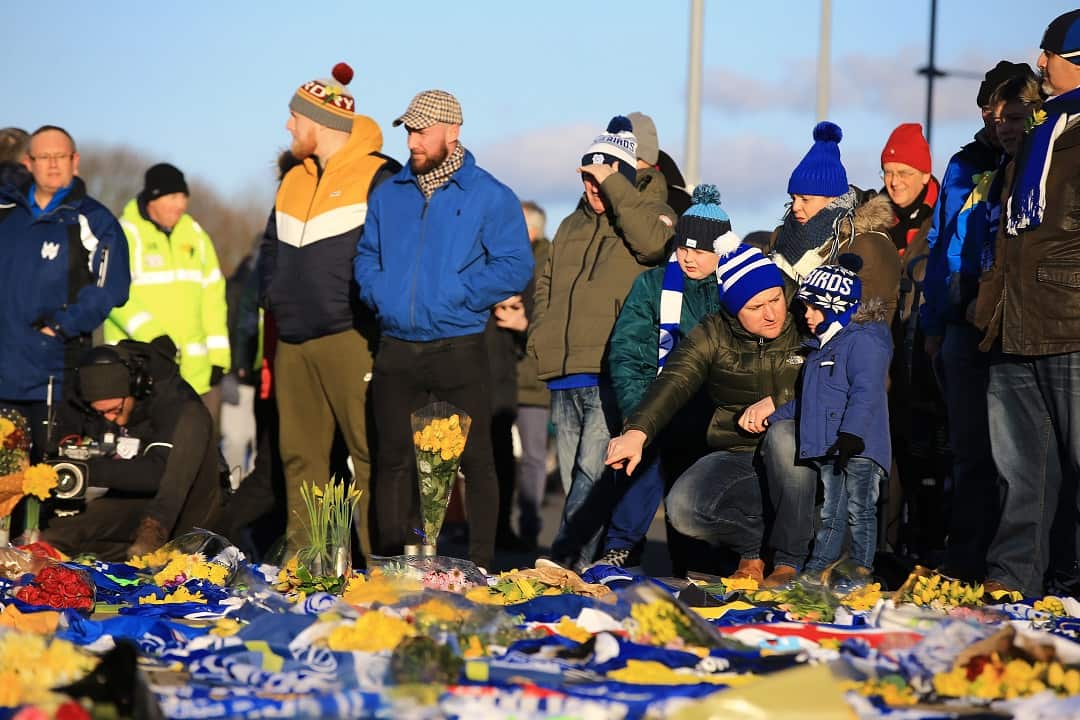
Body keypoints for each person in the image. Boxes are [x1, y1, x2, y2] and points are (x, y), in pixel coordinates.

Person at [355, 89, 533, 570]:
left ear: (452, 131)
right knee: (392, 461)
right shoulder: (388, 193)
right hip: (396, 347)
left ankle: (481, 566)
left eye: (421, 131)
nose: (412, 141)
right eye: (409, 131)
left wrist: (460, 294)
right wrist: (382, 295)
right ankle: (391, 565)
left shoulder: (489, 195)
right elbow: (367, 257)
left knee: (475, 461)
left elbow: (515, 265)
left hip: (458, 345)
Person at [605, 241, 811, 585]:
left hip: (804, 452)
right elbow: (675, 379)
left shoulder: (807, 316)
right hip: (741, 450)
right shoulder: (713, 332)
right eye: (755, 307)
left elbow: (840, 379)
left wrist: (780, 402)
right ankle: (754, 551)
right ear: (733, 309)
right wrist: (636, 432)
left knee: (783, 435)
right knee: (683, 507)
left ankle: (789, 562)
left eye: (775, 300)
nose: (771, 313)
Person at [259, 62, 401, 555]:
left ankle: (381, 565)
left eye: (295, 117)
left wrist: (365, 310)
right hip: (293, 340)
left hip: (351, 335)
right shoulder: (292, 178)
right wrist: (273, 296)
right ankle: (311, 563)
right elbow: (269, 248)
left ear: (319, 122)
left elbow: (393, 255)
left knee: (369, 454)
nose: (288, 126)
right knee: (299, 458)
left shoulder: (380, 175)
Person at [528, 115, 672, 571]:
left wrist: (614, 185)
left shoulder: (647, 212)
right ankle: (588, 568)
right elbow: (546, 285)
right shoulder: (570, 224)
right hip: (563, 372)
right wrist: (540, 334)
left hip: (608, 370)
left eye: (602, 177)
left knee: (590, 475)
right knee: (576, 479)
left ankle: (566, 562)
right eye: (588, 178)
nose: (593, 187)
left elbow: (655, 245)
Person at [975, 9, 1080, 598]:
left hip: (1072, 323)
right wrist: (989, 302)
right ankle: (1013, 580)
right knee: (1020, 470)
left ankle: (1073, 581)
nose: (1040, 62)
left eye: (1051, 53)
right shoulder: (1040, 132)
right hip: (1013, 322)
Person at [597, 184, 727, 570]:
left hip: (713, 408)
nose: (688, 258)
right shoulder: (652, 285)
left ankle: (696, 561)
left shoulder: (734, 288)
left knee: (695, 486)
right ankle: (621, 549)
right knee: (644, 461)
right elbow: (628, 350)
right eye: (683, 248)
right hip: (657, 401)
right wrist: (640, 413)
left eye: (700, 251)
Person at [0, 125, 131, 460]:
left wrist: (58, 328)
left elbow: (111, 289)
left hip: (55, 378)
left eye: (60, 156)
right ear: (28, 163)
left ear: (75, 160)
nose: (53, 164)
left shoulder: (94, 220)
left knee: (50, 477)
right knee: (5, 478)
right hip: (4, 372)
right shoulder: (6, 213)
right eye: (44, 157)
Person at [767, 256, 892, 577]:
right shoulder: (821, 347)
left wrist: (852, 434)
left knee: (859, 510)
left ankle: (859, 572)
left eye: (815, 307)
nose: (806, 315)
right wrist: (774, 417)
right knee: (831, 514)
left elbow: (867, 391)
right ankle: (819, 570)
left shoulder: (865, 341)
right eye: (805, 307)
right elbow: (810, 402)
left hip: (859, 446)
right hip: (831, 446)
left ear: (836, 306)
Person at [43, 341, 225, 560]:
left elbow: (157, 473)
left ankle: (154, 534)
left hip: (183, 503)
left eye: (115, 410)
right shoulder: (87, 399)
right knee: (57, 534)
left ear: (135, 388)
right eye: (101, 413)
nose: (110, 419)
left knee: (194, 418)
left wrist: (88, 471)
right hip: (132, 502)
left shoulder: (174, 401)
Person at [104, 163, 231, 426]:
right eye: (173, 197)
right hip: (138, 371)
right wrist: (153, 336)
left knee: (197, 443)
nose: (180, 205)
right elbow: (112, 295)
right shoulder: (124, 234)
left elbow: (213, 297)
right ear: (153, 197)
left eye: (184, 197)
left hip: (195, 375)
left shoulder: (196, 235)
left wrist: (219, 358)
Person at [769, 121, 900, 322]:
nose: (795, 207)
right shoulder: (783, 235)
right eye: (793, 198)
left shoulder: (868, 245)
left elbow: (853, 318)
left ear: (834, 199)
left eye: (805, 199)